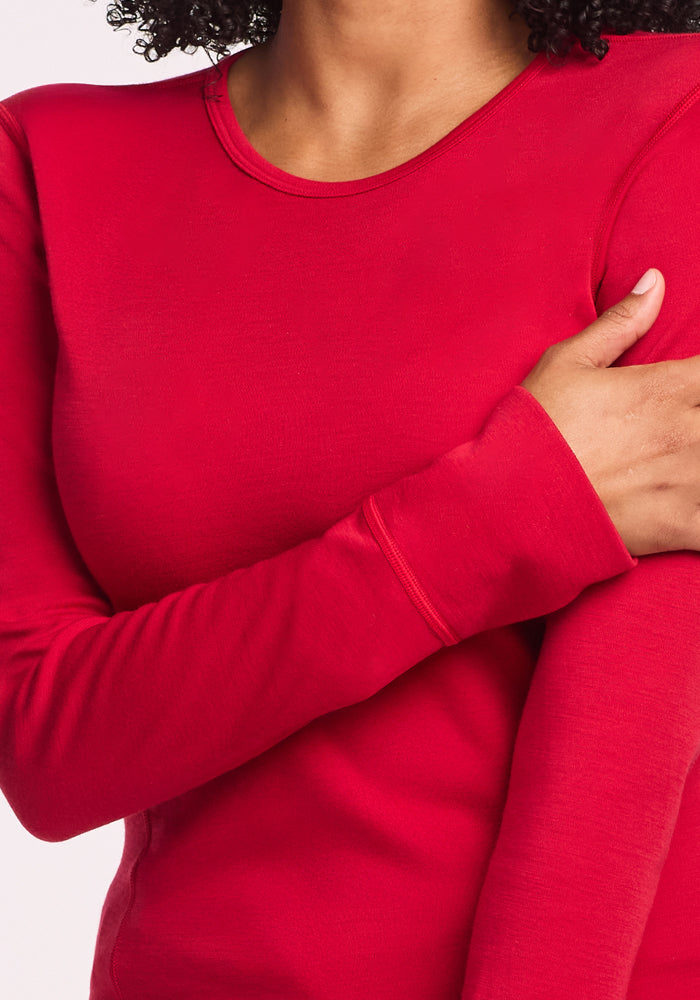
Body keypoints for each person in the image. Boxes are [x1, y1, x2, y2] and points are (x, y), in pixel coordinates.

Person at [1, 1, 700, 997]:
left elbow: (617, 756)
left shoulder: (676, 113)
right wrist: (495, 519)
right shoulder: (47, 159)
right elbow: (47, 745)